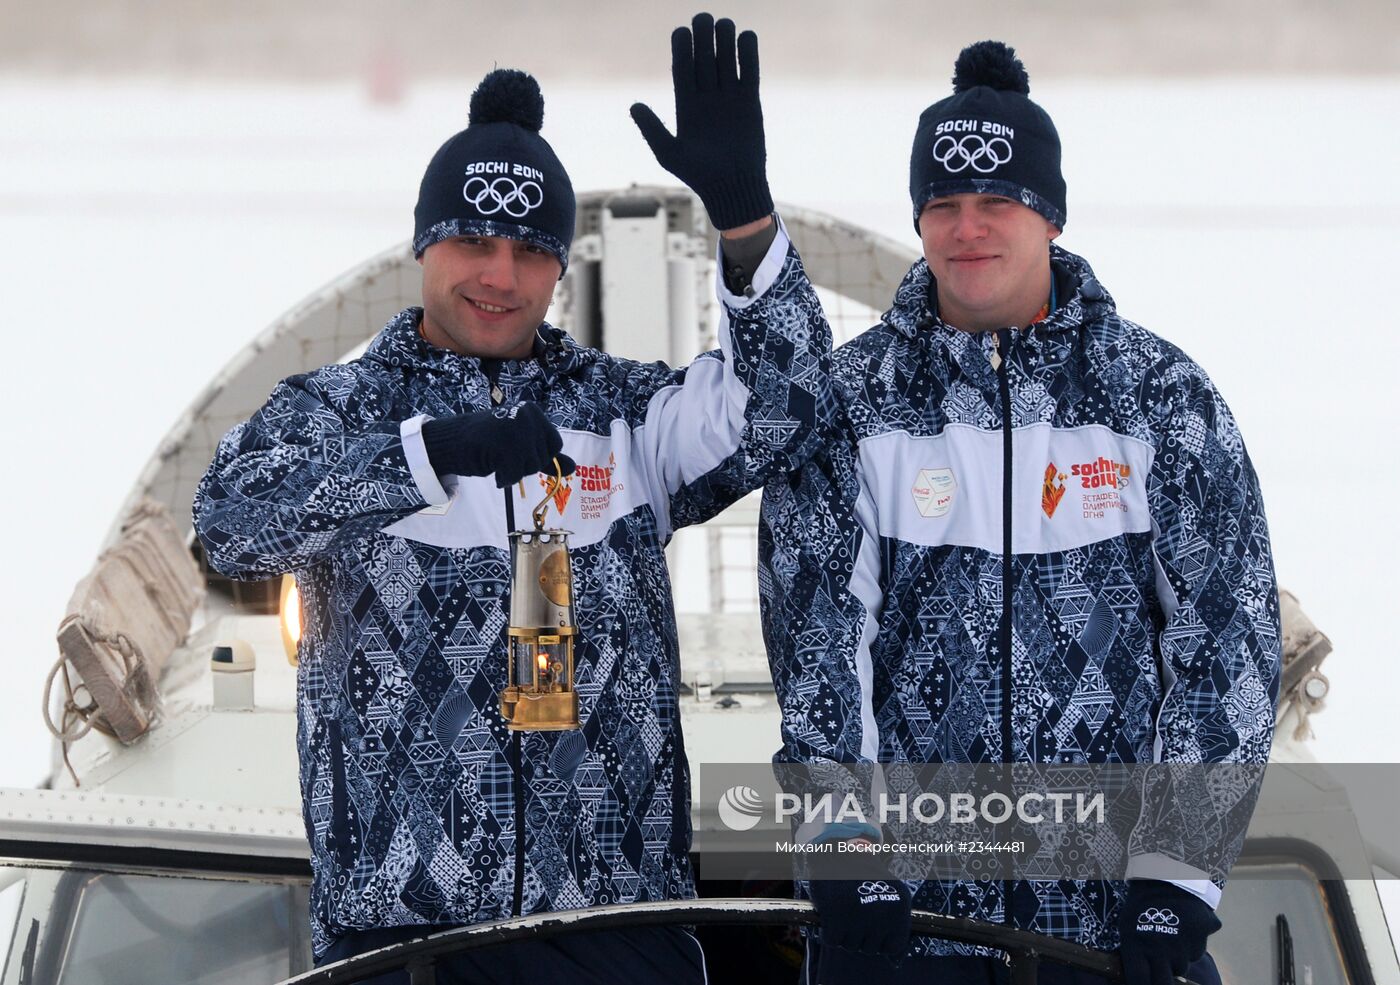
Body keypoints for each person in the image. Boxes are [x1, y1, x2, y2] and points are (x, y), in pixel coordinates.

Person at [193, 16, 831, 982]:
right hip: (407, 939)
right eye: (473, 240)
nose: (499, 274)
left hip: (622, 928)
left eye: (529, 250)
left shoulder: (622, 418)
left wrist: (744, 222)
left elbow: (784, 410)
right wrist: (429, 454)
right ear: (424, 244)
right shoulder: (335, 410)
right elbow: (227, 520)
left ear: (559, 268)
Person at [758, 41, 1281, 985]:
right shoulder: (852, 404)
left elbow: (1226, 646)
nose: (968, 229)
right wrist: (846, 848)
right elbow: (816, 654)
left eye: (996, 201)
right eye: (943, 205)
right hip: (903, 933)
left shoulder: (1159, 398)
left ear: (1050, 215)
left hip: (1111, 933)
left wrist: (1174, 878)